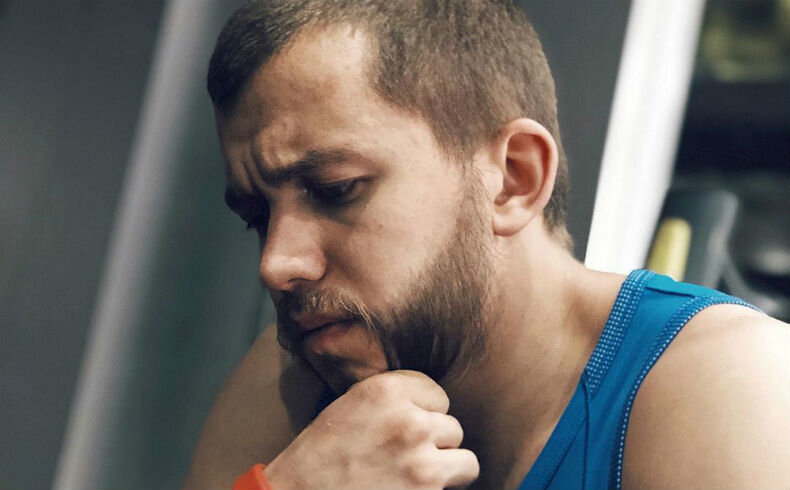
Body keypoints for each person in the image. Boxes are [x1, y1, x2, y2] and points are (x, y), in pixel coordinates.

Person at [183, 1, 790, 489]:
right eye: (257, 216)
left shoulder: (730, 389)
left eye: (335, 189)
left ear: (514, 179)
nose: (277, 264)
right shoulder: (291, 381)